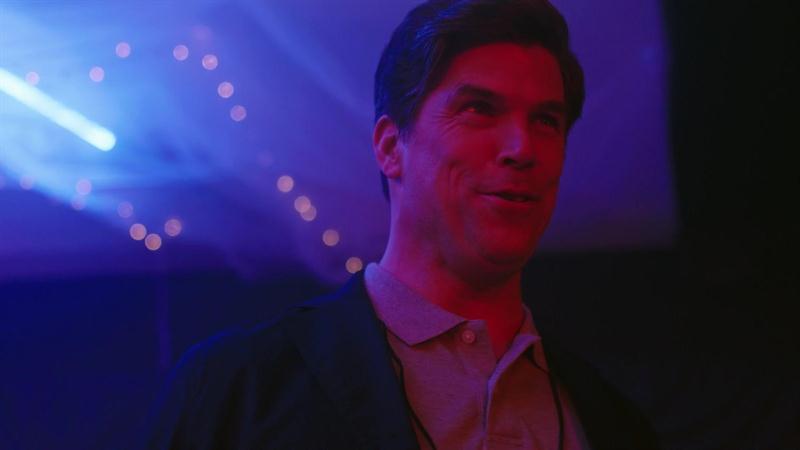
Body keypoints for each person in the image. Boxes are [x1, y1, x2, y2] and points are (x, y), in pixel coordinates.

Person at [140, 1, 660, 449]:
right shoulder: (240, 390)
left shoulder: (614, 424)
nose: (522, 147)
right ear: (391, 147)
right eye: (479, 109)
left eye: (546, 121)